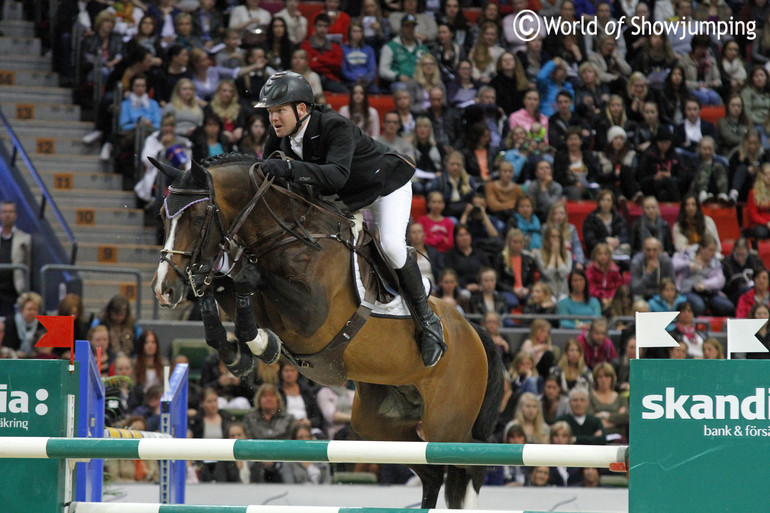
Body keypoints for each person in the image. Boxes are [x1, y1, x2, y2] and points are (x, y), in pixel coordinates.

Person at [256, 71, 445, 367]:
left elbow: (337, 174)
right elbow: (264, 172)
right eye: (270, 112)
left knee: (392, 246)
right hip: (345, 199)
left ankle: (428, 320)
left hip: (385, 188)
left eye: (279, 110)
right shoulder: (279, 134)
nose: (273, 119)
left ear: (301, 109)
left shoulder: (335, 126)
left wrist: (290, 171)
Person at [673, 234, 735, 317]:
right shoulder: (687, 255)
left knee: (728, 307)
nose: (713, 254)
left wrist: (704, 284)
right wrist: (687, 264)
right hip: (687, 290)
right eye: (710, 250)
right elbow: (672, 265)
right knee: (699, 305)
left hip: (707, 291)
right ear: (701, 248)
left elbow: (720, 280)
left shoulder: (715, 262)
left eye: (714, 251)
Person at [378, 14, 429, 93]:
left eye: (412, 26)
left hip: (420, 82)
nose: (410, 29)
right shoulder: (390, 46)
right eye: (407, 26)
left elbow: (430, 66)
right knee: (403, 88)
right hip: (400, 82)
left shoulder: (422, 48)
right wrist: (398, 76)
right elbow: (383, 70)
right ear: (401, 28)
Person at [0, 201, 31, 319]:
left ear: (15, 215)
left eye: (10, 212)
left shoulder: (25, 238)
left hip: (13, 290)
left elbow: (28, 263)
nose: (7, 215)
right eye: (4, 212)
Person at [581, 189, 630, 258]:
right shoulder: (591, 219)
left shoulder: (618, 218)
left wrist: (617, 241)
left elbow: (625, 236)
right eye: (603, 200)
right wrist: (605, 241)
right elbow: (590, 241)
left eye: (608, 200)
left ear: (612, 203)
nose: (606, 203)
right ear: (599, 202)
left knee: (626, 247)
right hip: (599, 251)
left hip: (617, 248)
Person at [442, 224, 491, 292]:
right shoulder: (450, 255)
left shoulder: (480, 254)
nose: (465, 238)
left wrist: (480, 285)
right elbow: (450, 275)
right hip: (459, 289)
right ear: (455, 238)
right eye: (461, 235)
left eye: (467, 234)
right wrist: (465, 286)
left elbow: (488, 271)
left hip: (481, 287)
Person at [278, 361, 324, 434]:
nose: (289, 374)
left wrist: (309, 422)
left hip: (307, 428)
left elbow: (318, 417)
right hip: (285, 429)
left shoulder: (307, 392)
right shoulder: (277, 392)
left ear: (297, 373)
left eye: (292, 370)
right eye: (286, 371)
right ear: (281, 373)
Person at [588, 362, 628, 441]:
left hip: (618, 437)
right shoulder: (590, 398)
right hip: (597, 437)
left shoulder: (621, 399)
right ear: (596, 379)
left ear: (612, 378)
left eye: (606, 376)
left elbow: (626, 418)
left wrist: (603, 415)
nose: (603, 380)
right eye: (600, 377)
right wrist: (616, 419)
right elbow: (590, 419)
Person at [534, 223, 573, 302]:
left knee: (564, 301)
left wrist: (557, 254)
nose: (556, 239)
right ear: (547, 238)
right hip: (547, 292)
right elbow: (549, 275)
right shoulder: (539, 254)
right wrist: (553, 254)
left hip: (563, 292)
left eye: (558, 237)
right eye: (553, 236)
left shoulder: (567, 254)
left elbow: (564, 273)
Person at [690, 136, 730, 205]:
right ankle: (703, 195)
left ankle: (723, 195)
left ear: (714, 150)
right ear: (700, 149)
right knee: (705, 166)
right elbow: (690, 179)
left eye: (710, 149)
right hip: (697, 190)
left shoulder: (720, 162)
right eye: (705, 149)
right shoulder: (694, 161)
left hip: (714, 190)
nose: (707, 152)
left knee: (718, 167)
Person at [2, 291, 44, 355]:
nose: (33, 312)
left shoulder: (42, 325)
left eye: (36, 309)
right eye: (30, 309)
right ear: (21, 310)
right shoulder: (9, 323)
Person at [746, 163, 770, 240]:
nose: (769, 177)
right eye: (766, 174)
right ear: (761, 176)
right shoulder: (753, 193)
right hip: (759, 224)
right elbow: (753, 215)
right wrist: (767, 223)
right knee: (762, 232)